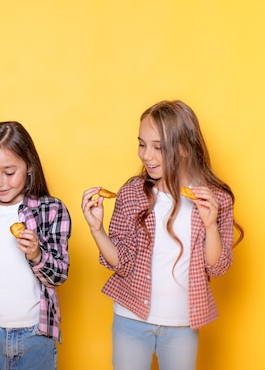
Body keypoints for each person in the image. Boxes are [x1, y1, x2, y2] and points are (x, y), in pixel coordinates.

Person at [81, 100, 243, 370]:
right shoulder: (132, 193)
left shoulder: (216, 200)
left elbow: (217, 267)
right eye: (142, 144)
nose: (146, 155)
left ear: (182, 148)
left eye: (158, 147)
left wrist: (211, 224)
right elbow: (121, 262)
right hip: (130, 317)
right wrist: (96, 229)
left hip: (181, 324)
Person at [0, 121, 71, 370]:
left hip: (36, 336)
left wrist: (37, 254)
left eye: (9, 173)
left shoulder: (51, 210)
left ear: (29, 166)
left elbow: (59, 275)